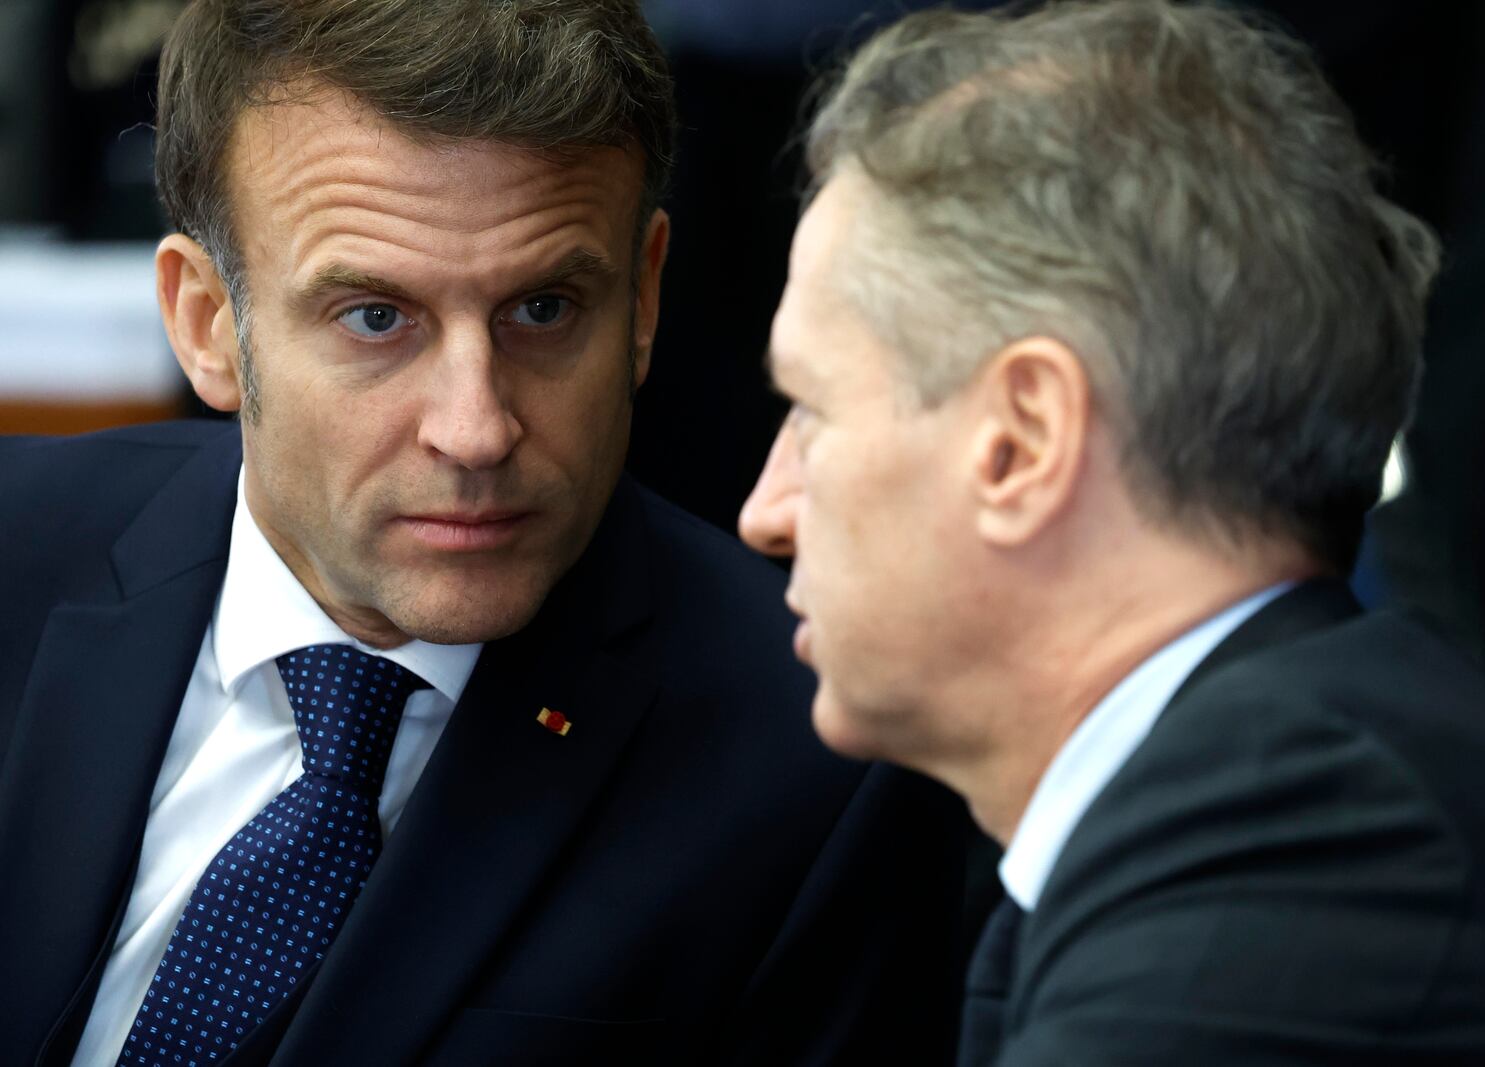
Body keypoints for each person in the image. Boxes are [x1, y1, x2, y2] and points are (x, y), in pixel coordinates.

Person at [0, 2, 967, 1064]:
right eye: (376, 318)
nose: (477, 429)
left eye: (543, 309)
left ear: (643, 296)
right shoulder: (20, 547)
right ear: (206, 324)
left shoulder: (821, 757)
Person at [738, 1, 1485, 1064]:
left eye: (812, 410)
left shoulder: (1302, 838)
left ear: (1021, 439)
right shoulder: (1247, 796)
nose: (764, 511)